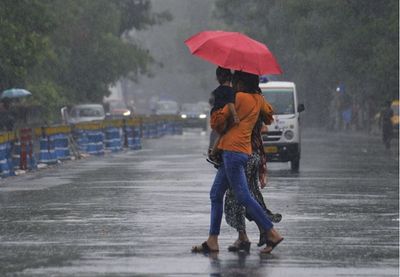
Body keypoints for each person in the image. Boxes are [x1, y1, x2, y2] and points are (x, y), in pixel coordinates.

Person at [192, 71, 283, 254]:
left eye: (236, 81)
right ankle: (212, 240)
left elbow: (217, 122)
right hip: (243, 150)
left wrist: (219, 107)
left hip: (232, 152)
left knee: (243, 196)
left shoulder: (238, 97)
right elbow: (269, 116)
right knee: (216, 194)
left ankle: (271, 232)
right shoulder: (258, 99)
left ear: (240, 83)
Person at [224, 116, 282, 252]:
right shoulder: (256, 102)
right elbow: (264, 126)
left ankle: (266, 232)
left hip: (244, 154)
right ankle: (248, 235)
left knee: (238, 197)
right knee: (249, 196)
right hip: (253, 154)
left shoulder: (241, 104)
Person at [207, 67, 239, 166]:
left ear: (217, 78)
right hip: (223, 118)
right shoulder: (231, 91)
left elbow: (211, 102)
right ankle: (214, 154)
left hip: (214, 117)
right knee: (224, 135)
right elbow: (230, 103)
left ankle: (214, 153)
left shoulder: (215, 92)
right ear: (230, 78)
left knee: (220, 135)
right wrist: (235, 116)